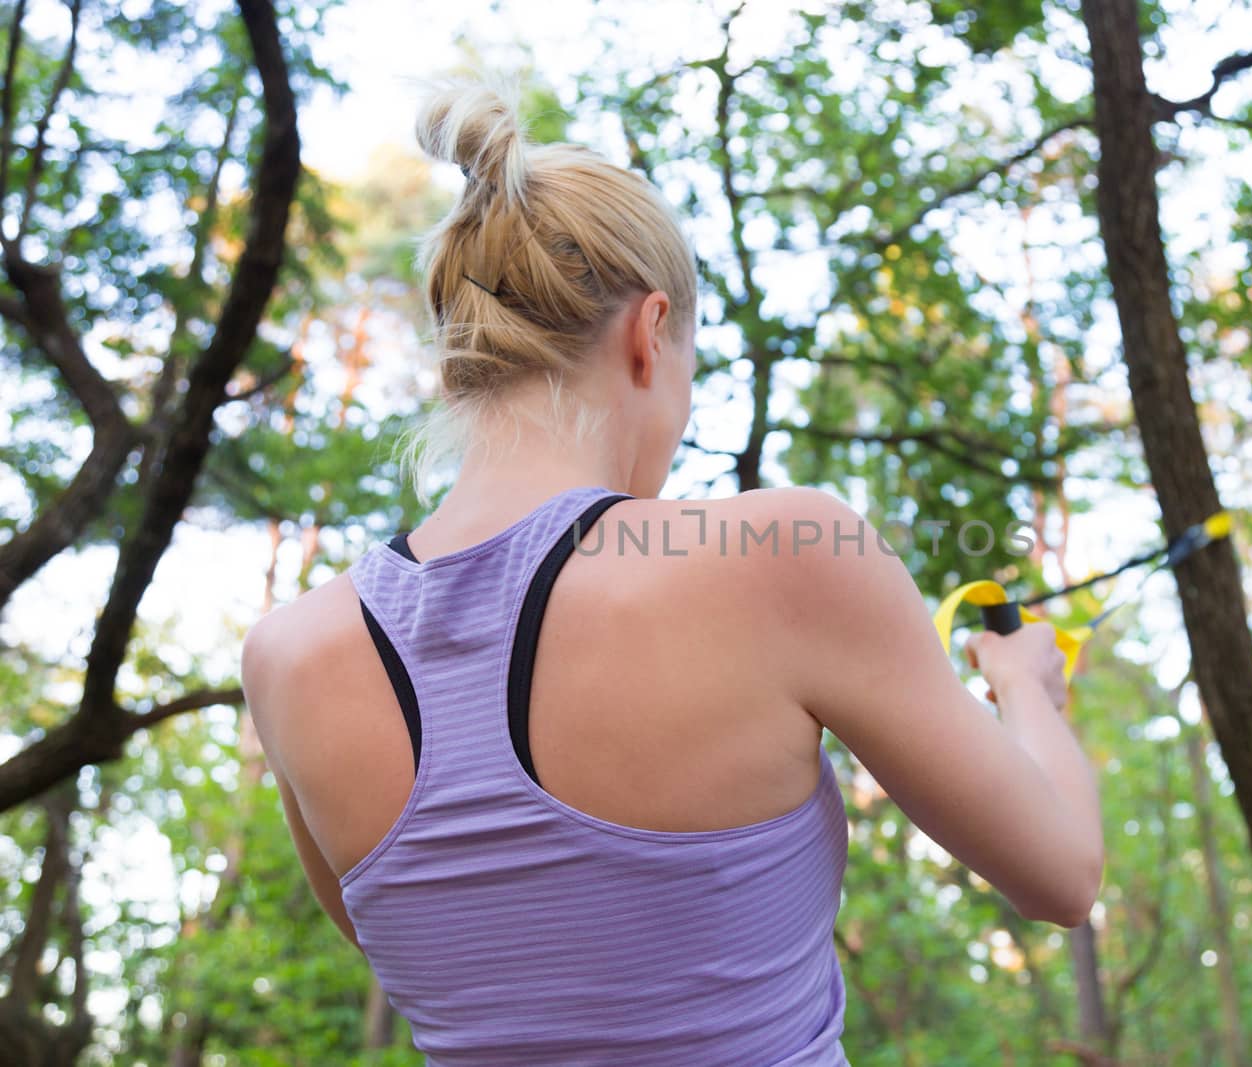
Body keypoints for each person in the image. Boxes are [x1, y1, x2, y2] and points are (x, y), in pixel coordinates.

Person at [240, 80, 1103, 1067]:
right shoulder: (786, 551)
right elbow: (1062, 874)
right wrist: (1025, 691)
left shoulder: (286, 657)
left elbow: (441, 954)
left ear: (458, 363)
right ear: (650, 336)